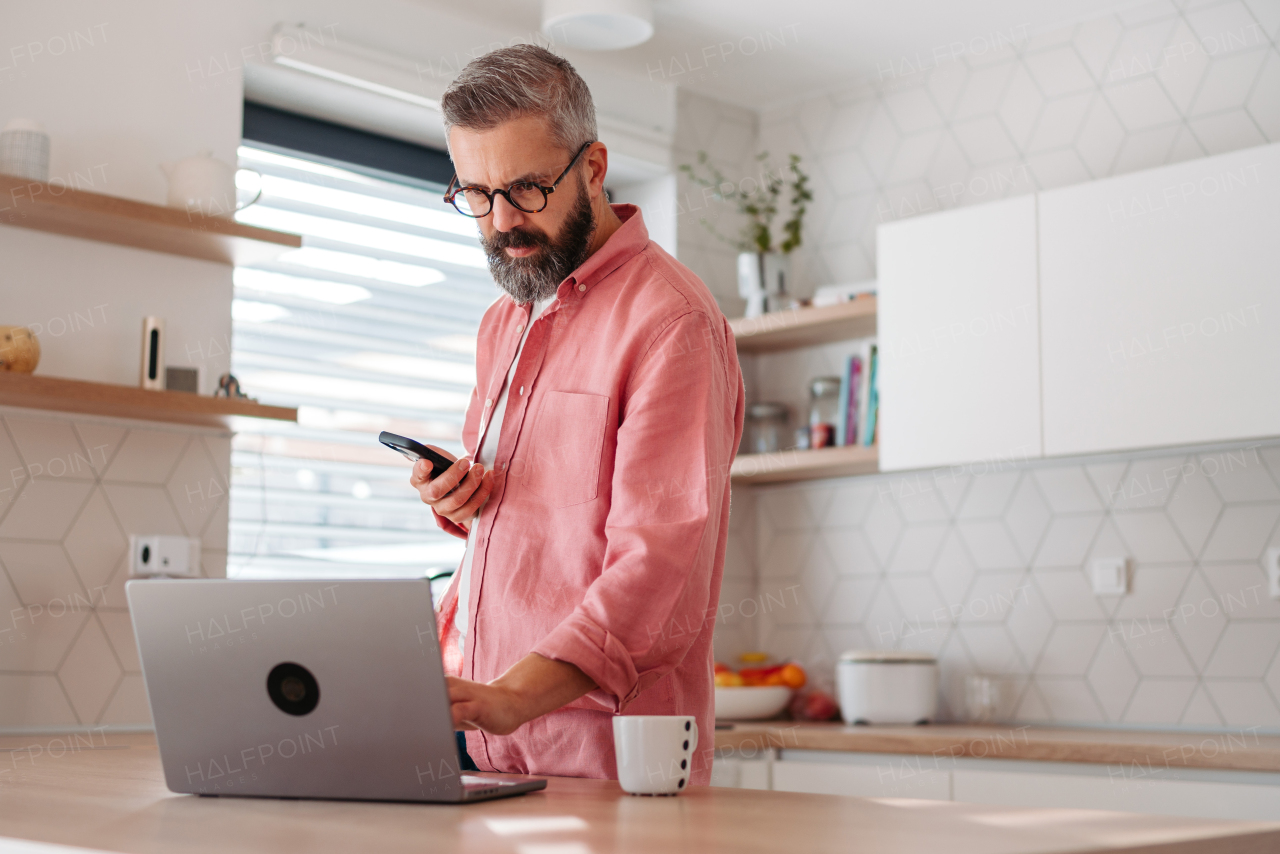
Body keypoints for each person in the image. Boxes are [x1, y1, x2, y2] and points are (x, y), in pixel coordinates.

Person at [410, 44, 744, 786]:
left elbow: (658, 570)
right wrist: (460, 502)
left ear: (592, 168)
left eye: (527, 189)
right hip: (485, 749)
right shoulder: (505, 321)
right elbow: (537, 527)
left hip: (614, 764)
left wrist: (512, 698)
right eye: (475, 194)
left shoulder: (672, 323)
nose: (501, 221)